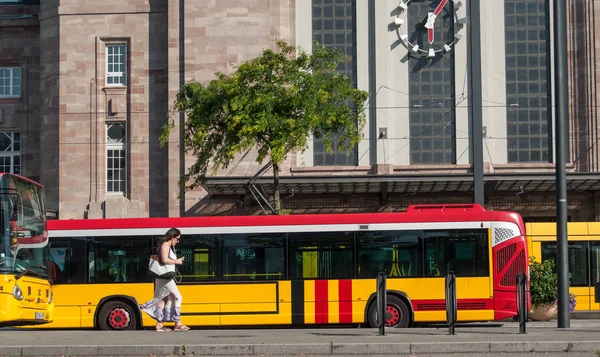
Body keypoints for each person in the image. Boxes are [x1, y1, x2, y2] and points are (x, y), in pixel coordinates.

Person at [139, 228, 190, 331]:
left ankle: (159, 324)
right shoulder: (165, 244)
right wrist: (177, 261)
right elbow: (164, 259)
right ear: (172, 237)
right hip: (165, 278)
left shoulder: (168, 245)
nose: (178, 241)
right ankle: (177, 323)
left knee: (163, 299)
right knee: (178, 297)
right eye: (177, 239)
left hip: (162, 277)